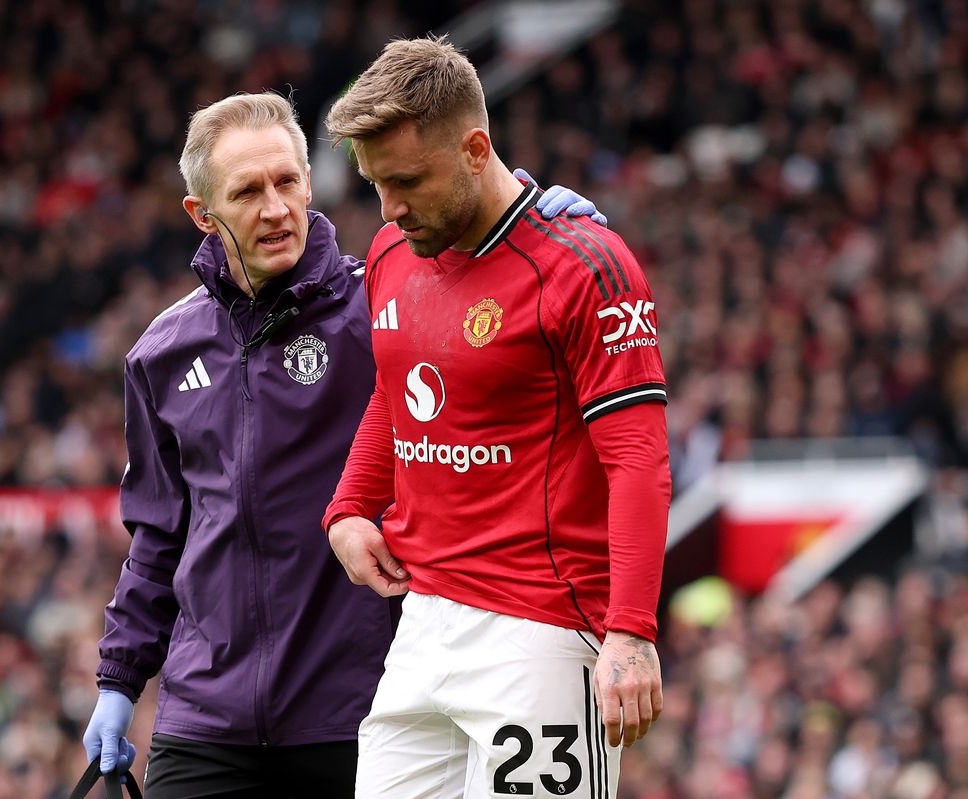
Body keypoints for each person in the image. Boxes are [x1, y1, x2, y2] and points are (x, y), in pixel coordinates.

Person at [81, 91, 605, 798]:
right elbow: (157, 538)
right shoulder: (161, 353)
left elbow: (482, 278)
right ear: (201, 215)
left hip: (358, 713)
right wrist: (119, 680)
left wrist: (533, 226)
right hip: (206, 720)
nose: (275, 208)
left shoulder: (381, 307)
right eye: (247, 191)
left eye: (287, 182)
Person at [322, 36, 672, 799]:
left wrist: (633, 631)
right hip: (422, 624)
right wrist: (350, 506)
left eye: (408, 180)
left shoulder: (585, 267)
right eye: (377, 184)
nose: (391, 207)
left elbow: (638, 460)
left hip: (542, 634)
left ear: (476, 147)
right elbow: (399, 384)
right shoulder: (389, 250)